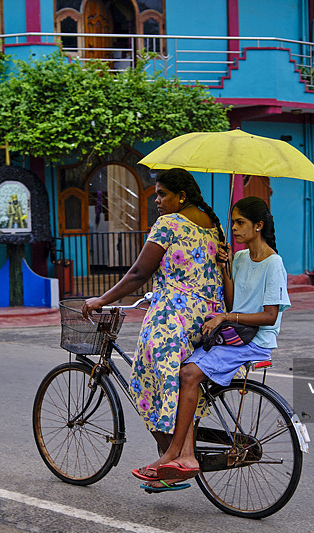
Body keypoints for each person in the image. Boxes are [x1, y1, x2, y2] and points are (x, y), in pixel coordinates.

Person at [81, 168, 226, 493]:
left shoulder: (169, 224)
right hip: (207, 318)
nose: (157, 200)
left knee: (146, 383)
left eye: (162, 194)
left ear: (181, 196)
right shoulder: (212, 226)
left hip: (173, 317)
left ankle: (175, 457)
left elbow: (138, 273)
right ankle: (178, 457)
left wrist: (102, 299)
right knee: (183, 384)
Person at [145, 196, 290, 485]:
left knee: (189, 374)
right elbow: (233, 301)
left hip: (254, 340)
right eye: (233, 222)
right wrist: (226, 269)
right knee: (181, 366)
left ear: (258, 226)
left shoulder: (273, 263)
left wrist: (225, 317)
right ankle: (184, 451)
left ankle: (176, 452)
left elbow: (269, 316)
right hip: (233, 335)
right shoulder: (240, 258)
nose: (233, 228)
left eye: (240, 223)